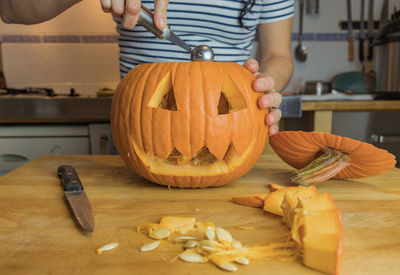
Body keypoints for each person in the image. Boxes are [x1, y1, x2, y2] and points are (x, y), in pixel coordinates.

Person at [0, 0, 294, 136]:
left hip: (234, 125)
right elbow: (11, 9)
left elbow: (279, 56)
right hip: (142, 131)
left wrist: (265, 84)